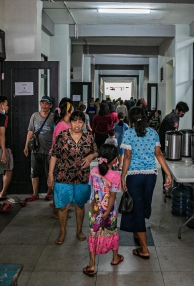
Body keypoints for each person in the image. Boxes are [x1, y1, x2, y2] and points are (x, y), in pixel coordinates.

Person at [120, 107, 172, 259]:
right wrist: (168, 174)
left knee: (137, 210)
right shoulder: (153, 132)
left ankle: (144, 249)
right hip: (151, 176)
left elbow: (127, 157)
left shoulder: (129, 133)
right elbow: (159, 154)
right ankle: (138, 231)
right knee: (143, 206)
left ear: (131, 118)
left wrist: (123, 176)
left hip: (134, 176)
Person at [48, 111, 98, 245]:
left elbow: (96, 151)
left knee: (80, 205)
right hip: (63, 176)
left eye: (80, 122)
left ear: (83, 123)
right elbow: (54, 155)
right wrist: (50, 174)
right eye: (74, 121)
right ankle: (62, 231)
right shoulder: (62, 136)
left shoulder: (88, 137)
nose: (77, 124)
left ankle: (79, 230)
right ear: (70, 122)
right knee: (63, 206)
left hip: (82, 176)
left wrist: (90, 157)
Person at [83, 144, 123, 277]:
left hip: (94, 210)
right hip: (110, 212)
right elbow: (112, 196)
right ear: (115, 160)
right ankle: (115, 258)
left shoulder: (93, 171)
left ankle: (92, 265)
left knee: (93, 234)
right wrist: (107, 211)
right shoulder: (115, 176)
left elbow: (93, 189)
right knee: (111, 232)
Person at [24, 95, 54, 202]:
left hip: (49, 151)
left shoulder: (53, 117)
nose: (44, 105)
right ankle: (35, 194)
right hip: (35, 150)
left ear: (51, 105)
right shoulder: (35, 116)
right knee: (34, 173)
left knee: (49, 174)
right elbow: (30, 131)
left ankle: (49, 193)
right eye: (42, 103)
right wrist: (26, 146)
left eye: (46, 103)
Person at [158, 101, 189, 186]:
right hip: (165, 145)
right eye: (182, 112)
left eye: (184, 113)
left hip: (170, 145)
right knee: (166, 165)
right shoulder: (170, 118)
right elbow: (168, 134)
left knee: (170, 165)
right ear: (177, 109)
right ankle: (166, 185)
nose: (182, 114)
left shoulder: (175, 117)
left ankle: (170, 184)